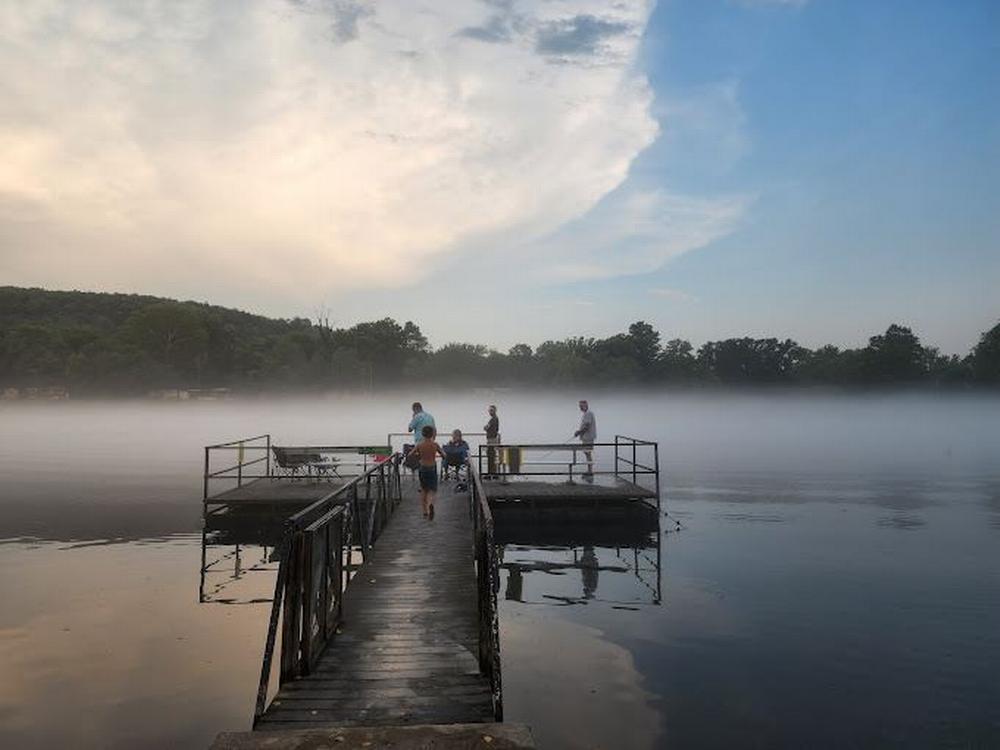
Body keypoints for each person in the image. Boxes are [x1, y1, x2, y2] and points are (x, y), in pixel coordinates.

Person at [412, 424, 446, 518]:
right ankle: (431, 503)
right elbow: (444, 455)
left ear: (423, 434)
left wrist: (418, 455)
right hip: (432, 467)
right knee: (432, 490)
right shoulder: (435, 445)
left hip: (422, 467)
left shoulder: (420, 445)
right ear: (432, 435)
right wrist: (442, 456)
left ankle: (424, 512)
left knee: (423, 490)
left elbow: (411, 454)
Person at [573, 399, 596, 476]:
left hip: (588, 437)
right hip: (586, 437)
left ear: (586, 405)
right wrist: (579, 432)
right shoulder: (586, 413)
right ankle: (589, 470)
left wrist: (578, 432)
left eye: (581, 406)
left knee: (588, 453)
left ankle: (590, 471)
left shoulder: (588, 413)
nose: (580, 408)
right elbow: (585, 426)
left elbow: (587, 426)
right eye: (579, 406)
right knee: (587, 453)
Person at [484, 404, 500, 478]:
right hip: (493, 439)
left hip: (491, 440)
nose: (490, 412)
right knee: (491, 457)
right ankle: (492, 473)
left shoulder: (493, 419)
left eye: (491, 410)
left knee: (491, 457)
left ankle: (491, 474)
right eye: (489, 410)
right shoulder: (495, 419)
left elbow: (486, 428)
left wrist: (485, 427)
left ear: (494, 411)